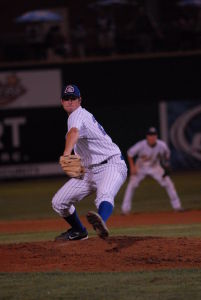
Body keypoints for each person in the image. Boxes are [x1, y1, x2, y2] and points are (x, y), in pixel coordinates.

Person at [52, 84, 127, 241]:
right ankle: (79, 231)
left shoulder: (77, 115)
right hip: (88, 171)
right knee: (59, 202)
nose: (70, 102)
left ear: (80, 100)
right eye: (66, 99)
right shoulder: (75, 117)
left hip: (111, 165)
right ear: (61, 101)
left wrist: (66, 154)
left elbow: (73, 132)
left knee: (104, 194)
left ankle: (101, 223)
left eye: (73, 98)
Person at [121, 127, 183, 214]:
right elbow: (129, 153)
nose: (152, 137)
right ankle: (125, 210)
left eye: (154, 135)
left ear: (156, 136)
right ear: (147, 137)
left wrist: (166, 165)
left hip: (155, 166)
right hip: (140, 167)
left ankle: (177, 207)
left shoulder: (162, 145)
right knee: (132, 185)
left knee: (168, 183)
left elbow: (166, 156)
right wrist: (132, 167)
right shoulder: (141, 145)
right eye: (150, 135)